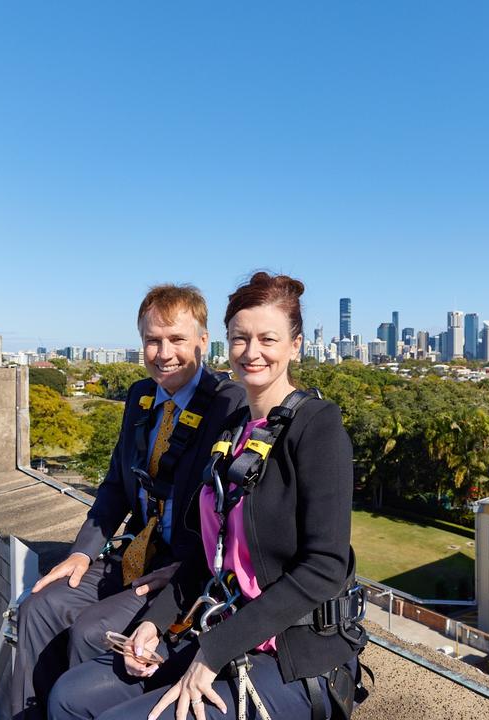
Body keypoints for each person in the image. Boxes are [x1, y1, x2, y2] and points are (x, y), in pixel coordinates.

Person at [49, 271, 366, 720]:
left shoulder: (317, 427)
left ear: (295, 345)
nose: (252, 353)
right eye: (240, 339)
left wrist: (213, 651)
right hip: (223, 627)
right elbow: (208, 553)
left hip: (291, 653)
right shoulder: (234, 430)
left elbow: (324, 568)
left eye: (267, 339)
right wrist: (154, 625)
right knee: (69, 696)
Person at [12, 284, 246, 719]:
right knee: (39, 608)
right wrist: (81, 551)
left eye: (177, 339)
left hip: (183, 571)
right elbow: (117, 486)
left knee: (90, 630)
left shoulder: (227, 404)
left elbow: (230, 511)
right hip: (139, 553)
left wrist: (185, 569)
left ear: (202, 340)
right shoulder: (140, 396)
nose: (164, 352)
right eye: (153, 340)